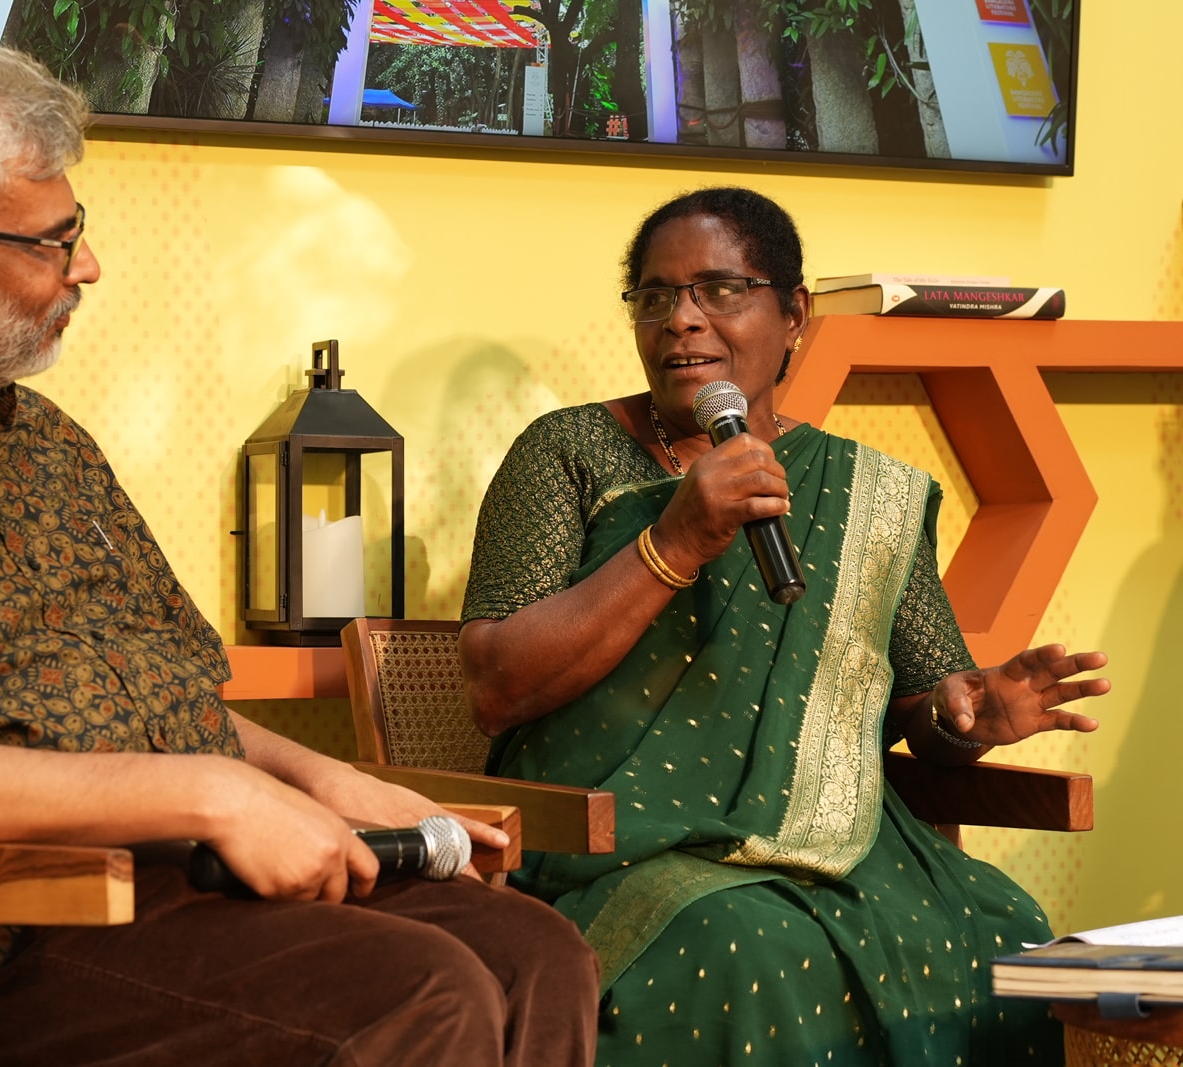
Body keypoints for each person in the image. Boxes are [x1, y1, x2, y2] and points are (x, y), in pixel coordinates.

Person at [0, 42, 598, 1067]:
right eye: (56, 239)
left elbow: (170, 703)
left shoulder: (45, 442)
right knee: (421, 995)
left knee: (540, 956)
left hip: (194, 877)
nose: (85, 266)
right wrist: (216, 795)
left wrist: (330, 779)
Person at [458, 186, 1108, 1066]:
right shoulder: (567, 452)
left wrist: (968, 716)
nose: (681, 319)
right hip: (618, 847)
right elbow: (495, 684)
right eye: (655, 296)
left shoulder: (871, 493)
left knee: (1012, 933)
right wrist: (674, 541)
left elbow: (923, 704)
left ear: (794, 313)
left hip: (845, 851)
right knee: (753, 949)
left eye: (720, 289)